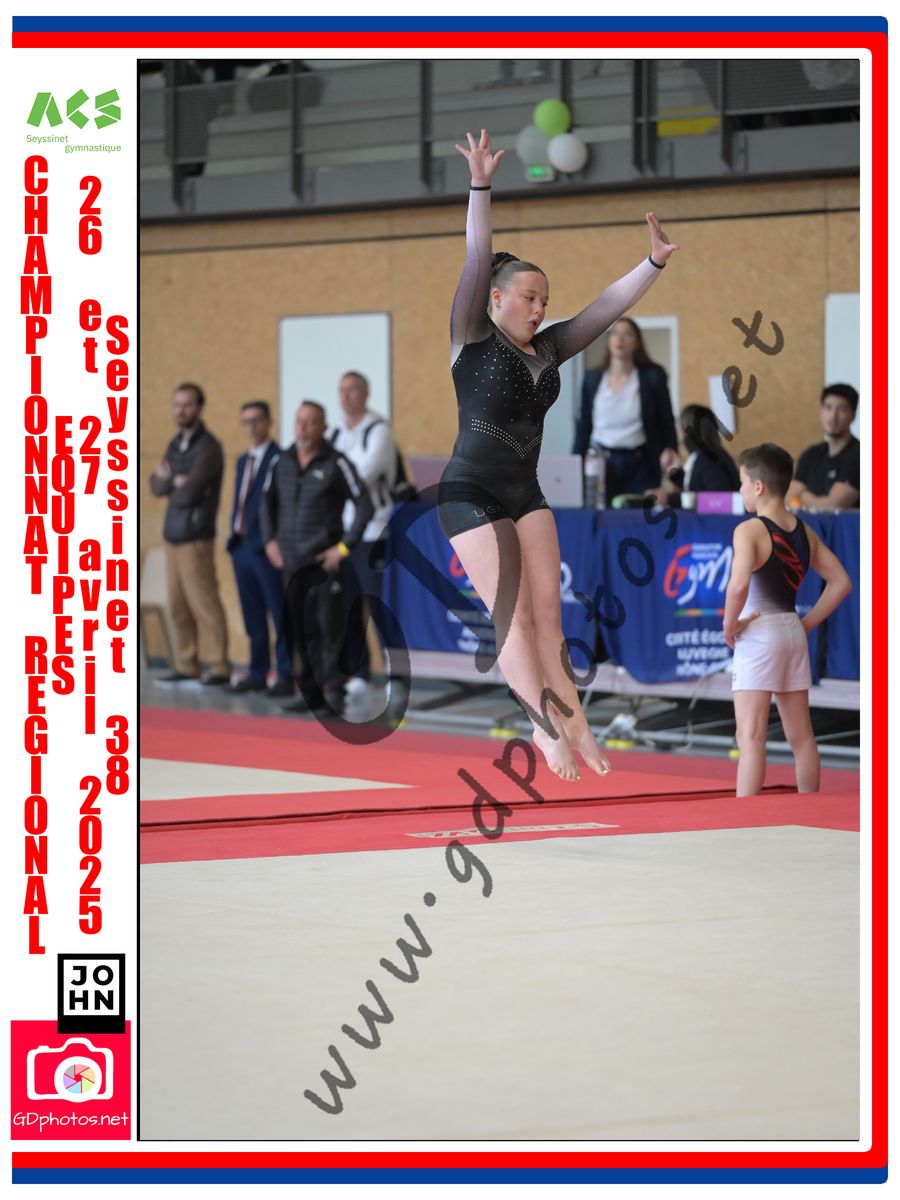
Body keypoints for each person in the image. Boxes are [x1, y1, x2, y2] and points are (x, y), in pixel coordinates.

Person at [440, 128, 677, 781]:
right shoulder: (470, 335)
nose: (540, 309)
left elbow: (605, 308)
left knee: (550, 617)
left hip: (526, 490)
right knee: (511, 616)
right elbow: (476, 254)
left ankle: (577, 724)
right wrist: (481, 185)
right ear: (495, 298)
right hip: (470, 493)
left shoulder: (548, 349)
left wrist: (652, 263)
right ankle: (542, 727)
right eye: (529, 298)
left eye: (545, 300)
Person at [723, 443, 852, 797]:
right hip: (792, 630)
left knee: (750, 736)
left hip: (758, 633)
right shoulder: (805, 532)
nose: (740, 490)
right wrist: (806, 624)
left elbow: (738, 585)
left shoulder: (749, 530)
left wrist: (729, 625)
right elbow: (841, 583)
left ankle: (745, 815)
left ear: (758, 486)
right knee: (802, 736)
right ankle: (810, 807)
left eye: (742, 482)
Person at [261, 401, 373, 717]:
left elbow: (364, 504)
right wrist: (270, 541)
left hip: (324, 564)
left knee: (330, 630)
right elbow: (266, 503)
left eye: (311, 422)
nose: (303, 428)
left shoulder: (336, 462)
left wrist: (344, 548)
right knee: (301, 631)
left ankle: (335, 691)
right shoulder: (281, 461)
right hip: (291, 564)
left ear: (323, 428)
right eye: (299, 421)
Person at [149, 382, 231, 684]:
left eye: (186, 405)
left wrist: (174, 483)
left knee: (204, 602)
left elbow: (188, 494)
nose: (180, 410)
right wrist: (175, 481)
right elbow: (155, 485)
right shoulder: (175, 444)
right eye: (177, 405)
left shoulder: (208, 447)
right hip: (173, 534)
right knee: (177, 604)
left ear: (199, 408)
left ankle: (219, 665)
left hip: (196, 536)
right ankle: (187, 664)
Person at [326, 371, 397, 706]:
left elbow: (363, 475)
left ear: (365, 393)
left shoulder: (378, 429)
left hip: (373, 532)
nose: (346, 396)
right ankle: (359, 673)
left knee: (378, 606)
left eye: (353, 390)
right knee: (349, 607)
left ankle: (396, 675)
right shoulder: (335, 432)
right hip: (343, 533)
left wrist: (334, 476)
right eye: (342, 390)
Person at [226, 400, 293, 697]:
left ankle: (285, 674)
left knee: (279, 613)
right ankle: (257, 671)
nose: (251, 427)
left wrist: (272, 540)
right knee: (252, 614)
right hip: (241, 545)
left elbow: (282, 506)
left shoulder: (281, 459)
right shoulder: (243, 461)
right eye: (246, 421)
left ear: (269, 422)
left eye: (256, 420)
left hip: (266, 547)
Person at [573, 316, 679, 502]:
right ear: (609, 341)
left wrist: (670, 447)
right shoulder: (592, 378)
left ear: (637, 343)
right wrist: (575, 462)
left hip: (640, 462)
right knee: (600, 512)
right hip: (601, 462)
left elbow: (666, 420)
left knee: (645, 511)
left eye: (627, 334)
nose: (620, 339)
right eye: (615, 333)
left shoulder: (652, 377)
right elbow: (584, 424)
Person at [647, 403, 740, 505]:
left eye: (680, 426)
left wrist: (670, 499)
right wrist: (674, 472)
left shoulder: (708, 461)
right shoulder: (704, 456)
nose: (677, 431)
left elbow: (719, 500)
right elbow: (696, 485)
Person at [786, 384, 860, 510]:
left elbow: (833, 506)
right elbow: (790, 497)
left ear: (853, 416)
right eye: (828, 408)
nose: (833, 416)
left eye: (842, 410)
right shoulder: (811, 454)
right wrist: (813, 501)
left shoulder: (858, 455)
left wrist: (803, 496)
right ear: (821, 411)